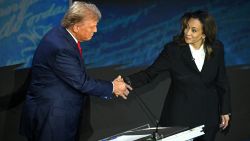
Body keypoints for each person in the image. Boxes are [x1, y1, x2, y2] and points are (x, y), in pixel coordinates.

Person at [19, 2, 132, 141]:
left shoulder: (62, 36)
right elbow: (82, 82)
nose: (95, 30)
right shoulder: (61, 47)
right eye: (92, 26)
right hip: (52, 120)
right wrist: (113, 87)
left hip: (57, 115)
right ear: (77, 27)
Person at [122, 10, 231, 141]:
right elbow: (149, 74)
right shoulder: (173, 50)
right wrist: (126, 81)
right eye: (186, 27)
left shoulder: (217, 48)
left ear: (204, 34)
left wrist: (225, 110)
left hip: (208, 118)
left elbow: (222, 80)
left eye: (194, 30)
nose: (187, 32)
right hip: (179, 118)